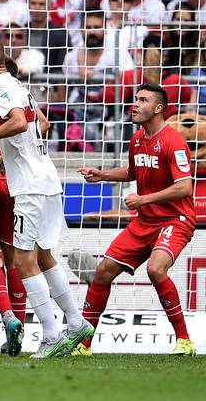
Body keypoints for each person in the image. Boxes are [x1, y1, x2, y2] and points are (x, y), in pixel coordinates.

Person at [0, 38, 92, 359]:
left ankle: (52, 333)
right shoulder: (17, 84)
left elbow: (18, 121)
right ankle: (76, 322)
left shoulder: (0, 86)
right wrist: (11, 154)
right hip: (45, 178)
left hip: (29, 187)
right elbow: (39, 123)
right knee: (44, 256)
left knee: (22, 260)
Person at [75, 84, 197, 356]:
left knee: (156, 269)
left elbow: (185, 187)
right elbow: (133, 172)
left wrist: (143, 200)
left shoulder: (174, 141)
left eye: (142, 100)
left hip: (175, 220)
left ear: (158, 108)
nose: (135, 104)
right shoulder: (137, 139)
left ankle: (184, 341)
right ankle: (83, 345)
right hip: (145, 221)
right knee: (103, 271)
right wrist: (102, 174)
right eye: (135, 99)